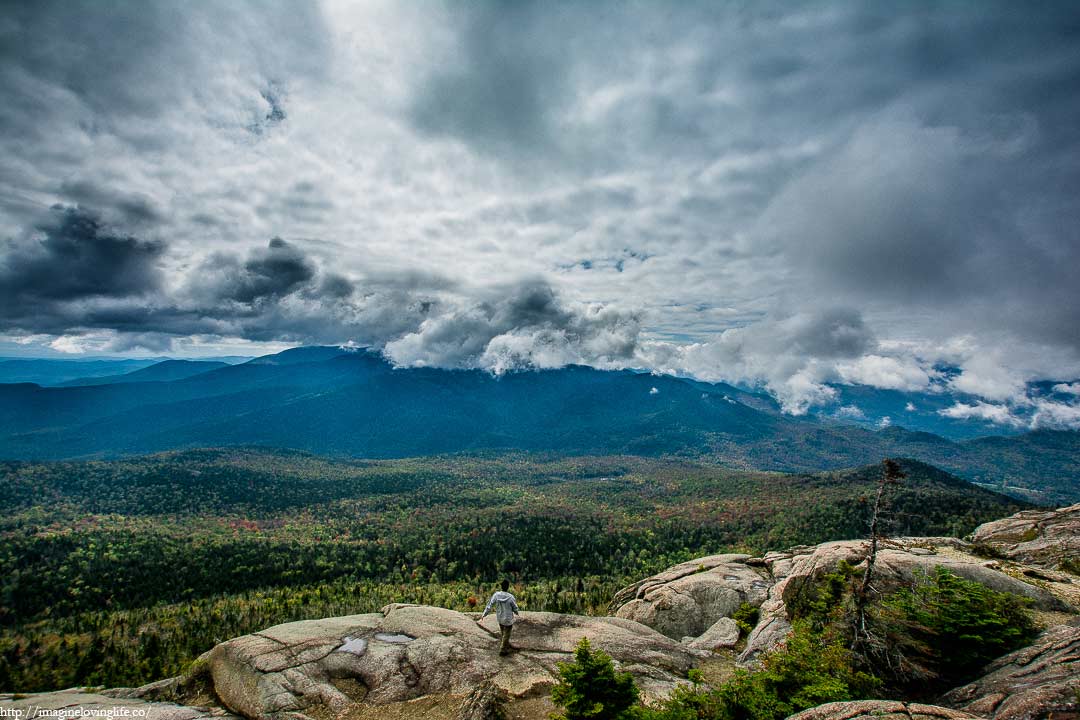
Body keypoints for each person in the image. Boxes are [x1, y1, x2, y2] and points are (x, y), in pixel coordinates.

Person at [478, 579, 520, 655]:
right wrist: (517, 613)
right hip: (508, 619)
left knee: (503, 633)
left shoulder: (496, 595)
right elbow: (515, 608)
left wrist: (484, 614)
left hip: (500, 618)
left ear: (501, 586)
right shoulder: (510, 597)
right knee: (506, 633)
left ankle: (506, 644)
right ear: (508, 587)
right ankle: (503, 649)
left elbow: (489, 606)